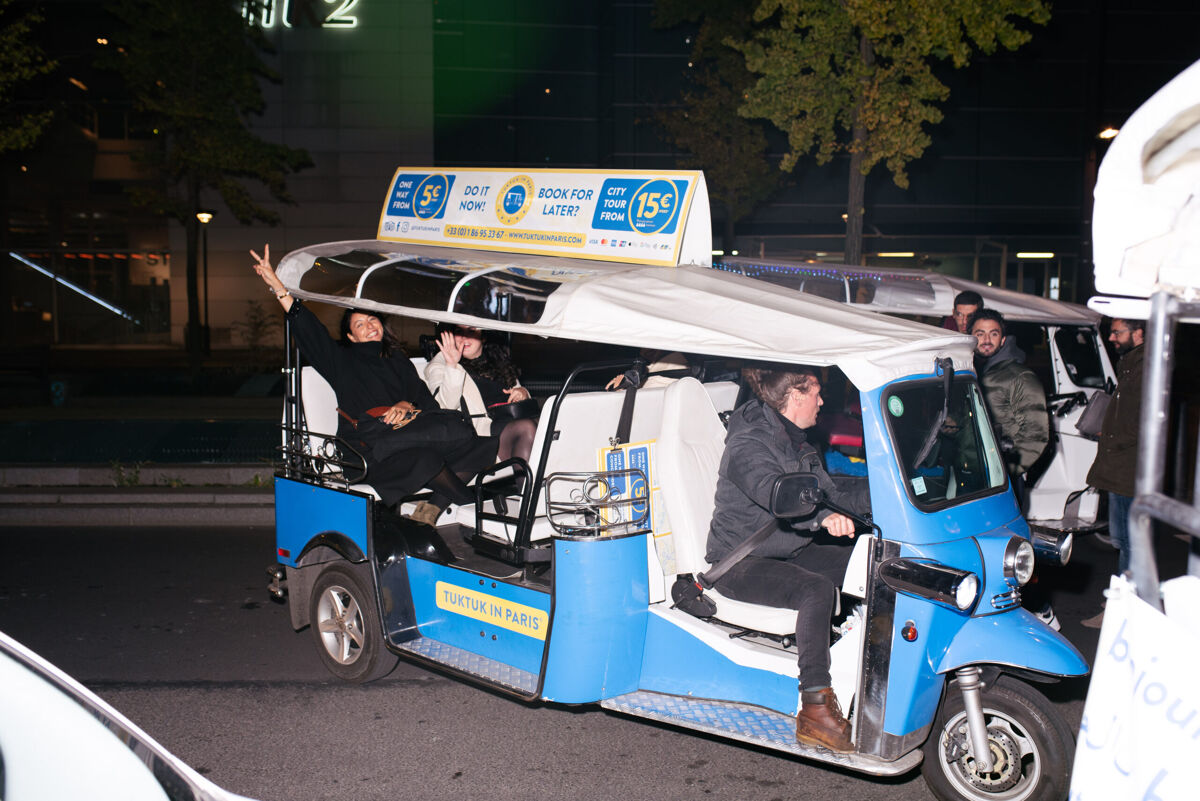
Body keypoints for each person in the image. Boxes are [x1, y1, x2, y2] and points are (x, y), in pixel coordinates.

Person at [250, 245, 496, 526]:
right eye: (359, 325)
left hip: (407, 439)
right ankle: (473, 508)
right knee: (426, 460)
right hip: (367, 449)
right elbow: (310, 330)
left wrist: (407, 405)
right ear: (351, 337)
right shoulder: (342, 361)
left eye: (372, 319)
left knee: (480, 445)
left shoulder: (399, 361)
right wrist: (278, 287)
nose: (368, 326)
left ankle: (432, 509)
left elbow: (428, 405)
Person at [706, 366, 869, 753]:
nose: (822, 401)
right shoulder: (748, 443)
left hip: (788, 547)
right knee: (815, 589)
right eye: (817, 393)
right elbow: (775, 491)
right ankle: (814, 709)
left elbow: (828, 491)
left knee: (873, 563)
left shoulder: (796, 439)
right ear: (796, 396)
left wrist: (888, 495)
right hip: (739, 562)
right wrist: (822, 518)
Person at [1086, 318, 1145, 585]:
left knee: (1131, 543)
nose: (1112, 338)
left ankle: (1126, 604)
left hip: (1131, 471)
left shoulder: (1147, 368)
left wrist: (1112, 439)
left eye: (1117, 332)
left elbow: (1144, 423)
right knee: (1123, 540)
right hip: (1120, 467)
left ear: (1138, 333)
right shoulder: (1132, 365)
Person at [425, 323, 536, 464]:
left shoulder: (497, 360)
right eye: (459, 331)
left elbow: (519, 391)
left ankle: (534, 484)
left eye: (471, 331)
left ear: (483, 337)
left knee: (550, 425)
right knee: (527, 428)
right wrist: (452, 365)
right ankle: (529, 486)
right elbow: (447, 405)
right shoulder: (440, 364)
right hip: (483, 434)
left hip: (511, 420)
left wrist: (522, 392)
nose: (464, 338)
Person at [969, 309, 1049, 493]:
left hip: (1002, 481)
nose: (987, 340)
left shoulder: (1019, 376)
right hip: (972, 474)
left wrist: (1006, 472)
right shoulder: (968, 374)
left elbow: (1036, 434)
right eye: (980, 334)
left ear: (1003, 340)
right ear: (971, 338)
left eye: (994, 334)